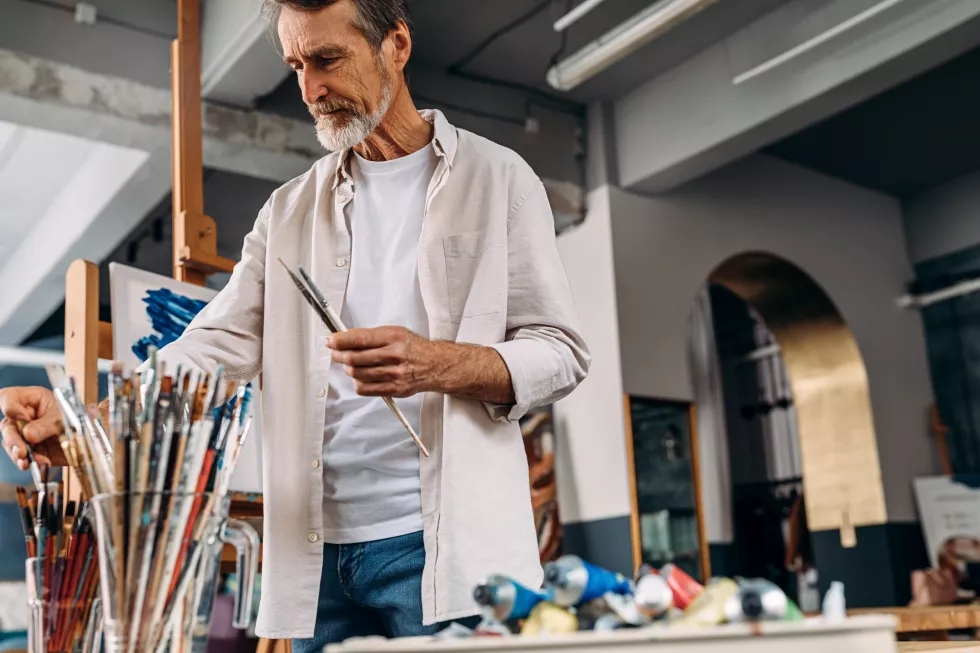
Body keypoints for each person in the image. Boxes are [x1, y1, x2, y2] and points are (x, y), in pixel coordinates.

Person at [1, 0, 589, 648]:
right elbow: (212, 344)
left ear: (395, 45)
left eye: (327, 59)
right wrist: (91, 419)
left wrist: (436, 362)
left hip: (445, 551)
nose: (309, 88)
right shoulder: (287, 211)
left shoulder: (499, 178)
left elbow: (560, 351)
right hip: (317, 556)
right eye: (295, 65)